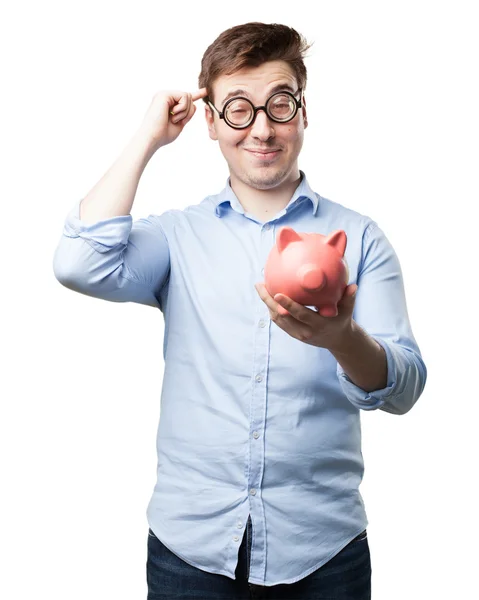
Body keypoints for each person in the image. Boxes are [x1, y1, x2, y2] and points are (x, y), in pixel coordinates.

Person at [53, 21, 427, 600]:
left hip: (323, 552)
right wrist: (149, 138)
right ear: (210, 122)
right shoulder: (177, 237)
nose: (262, 128)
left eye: (279, 105)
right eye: (237, 109)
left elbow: (404, 387)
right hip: (190, 550)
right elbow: (79, 262)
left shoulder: (359, 238)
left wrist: (342, 338)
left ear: (303, 111)